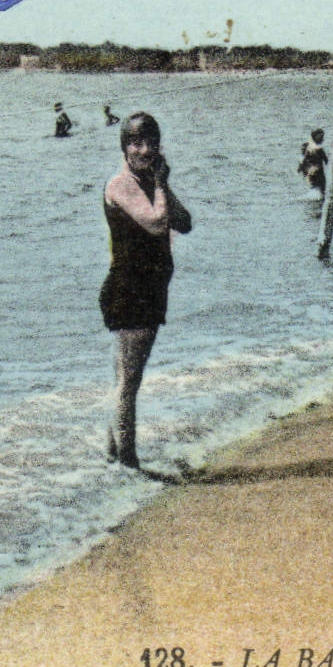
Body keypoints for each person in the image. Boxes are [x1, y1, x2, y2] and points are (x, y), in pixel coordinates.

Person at [99, 112, 192, 469]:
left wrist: (162, 185)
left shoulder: (151, 183)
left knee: (125, 379)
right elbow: (155, 223)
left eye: (152, 141)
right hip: (129, 288)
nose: (145, 149)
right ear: (124, 147)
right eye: (136, 142)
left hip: (150, 288)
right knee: (128, 382)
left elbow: (183, 223)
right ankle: (128, 464)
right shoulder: (120, 184)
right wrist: (160, 186)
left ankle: (113, 457)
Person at [298, 128, 328, 194]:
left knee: (316, 190)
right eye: (321, 137)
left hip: (311, 172)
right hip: (318, 172)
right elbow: (327, 161)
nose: (322, 139)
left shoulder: (308, 147)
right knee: (322, 191)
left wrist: (301, 169)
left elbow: (303, 160)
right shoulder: (319, 149)